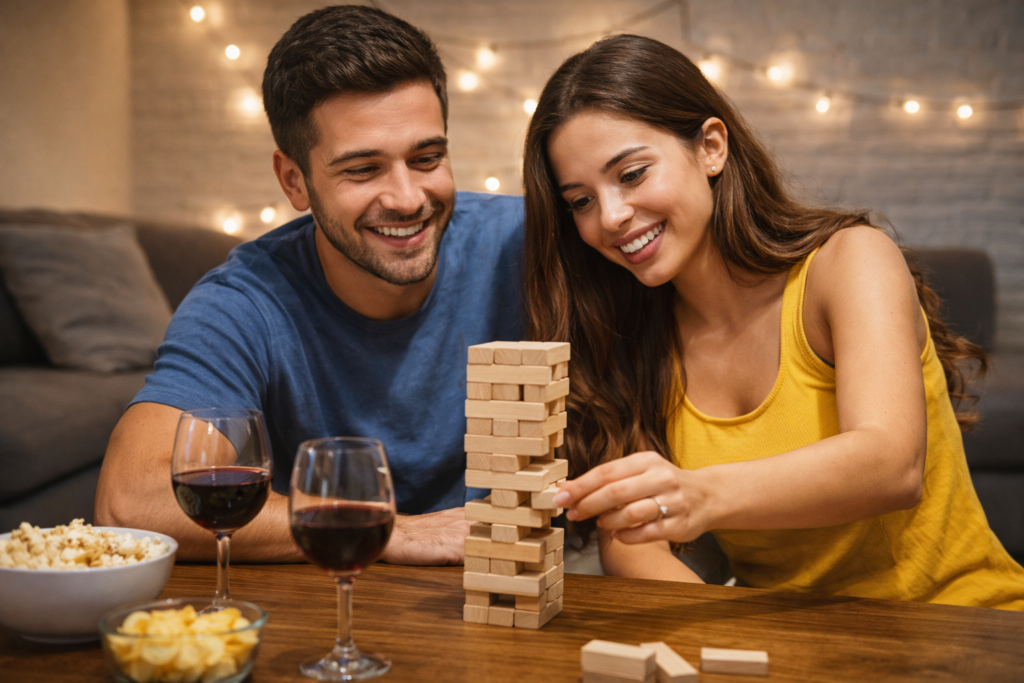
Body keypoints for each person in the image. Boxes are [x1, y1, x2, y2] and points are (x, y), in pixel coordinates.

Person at [523, 34, 1024, 608]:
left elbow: (892, 465)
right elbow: (632, 541)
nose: (610, 217)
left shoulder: (851, 261)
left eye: (632, 174)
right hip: (786, 649)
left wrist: (700, 494)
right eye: (581, 201)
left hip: (963, 622)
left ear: (711, 147)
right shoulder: (634, 333)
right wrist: (725, 642)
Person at [95, 6, 524, 565]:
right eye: (362, 169)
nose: (407, 197)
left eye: (426, 158)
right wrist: (395, 532)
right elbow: (130, 502)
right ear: (294, 180)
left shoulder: (527, 244)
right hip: (332, 603)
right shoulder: (243, 300)